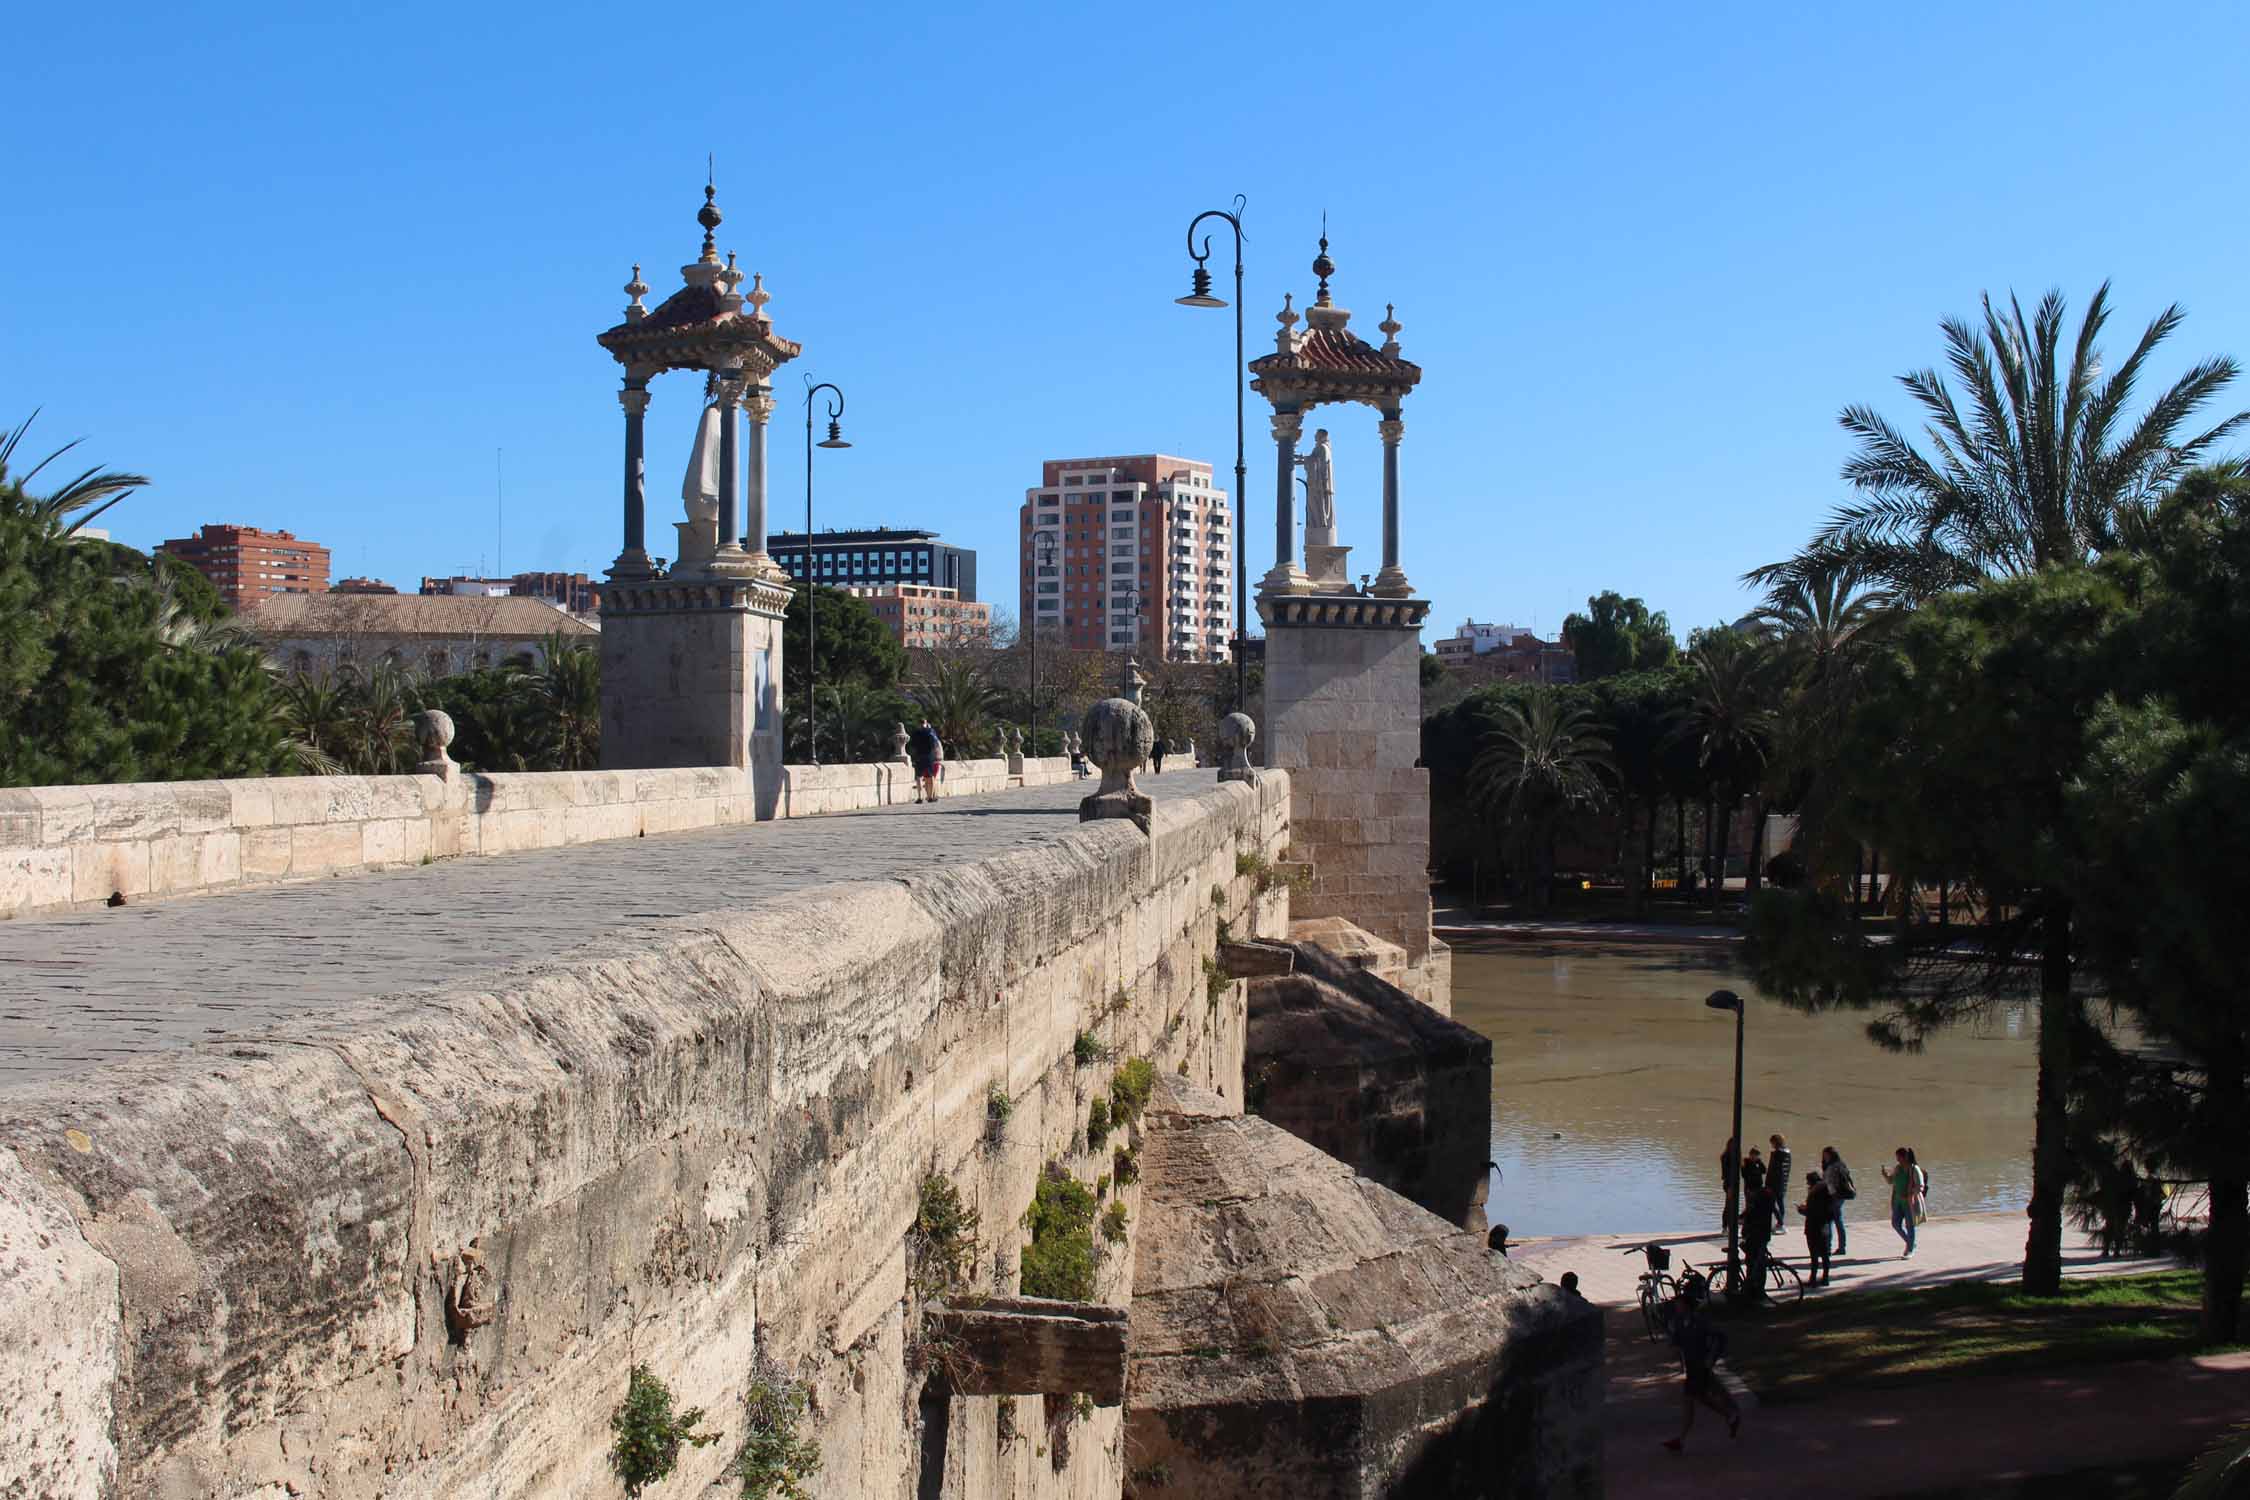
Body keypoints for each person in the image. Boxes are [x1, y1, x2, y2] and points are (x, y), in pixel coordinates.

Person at [1660, 1280, 1740, 1452]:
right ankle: (1730, 1415)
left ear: (1688, 1306)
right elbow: (1677, 1341)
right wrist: (1673, 1348)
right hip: (1692, 1365)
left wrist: (1711, 1358)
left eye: (1679, 1305)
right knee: (1701, 1396)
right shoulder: (1680, 1322)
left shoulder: (1699, 1322)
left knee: (1689, 1399)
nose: (1677, 1307)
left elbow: (1719, 1338)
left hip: (1700, 1365)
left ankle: (1681, 1439)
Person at [1882, 1146, 1926, 1258]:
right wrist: (1885, 1175)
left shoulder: (1914, 1169)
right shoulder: (1898, 1168)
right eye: (1897, 1157)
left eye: (1899, 1157)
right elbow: (1891, 1181)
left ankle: (1909, 1250)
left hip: (1910, 1202)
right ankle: (1910, 1242)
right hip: (1897, 1202)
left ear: (1905, 1157)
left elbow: (1920, 1186)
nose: (1897, 1160)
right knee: (1895, 1223)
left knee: (1910, 1226)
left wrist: (1909, 1194)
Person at [1741, 1182, 1775, 1300]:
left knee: (1752, 1264)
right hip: (1763, 1235)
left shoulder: (1757, 1201)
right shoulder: (1767, 1197)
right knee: (1760, 1264)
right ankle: (1759, 1290)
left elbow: (1750, 1215)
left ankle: (1751, 1291)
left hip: (1755, 1236)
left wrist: (1742, 1222)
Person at [1800, 1171, 1834, 1284]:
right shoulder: (1828, 1191)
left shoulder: (1813, 1193)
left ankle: (1813, 1279)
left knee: (1814, 1255)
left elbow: (1810, 1212)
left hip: (1813, 1227)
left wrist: (1801, 1210)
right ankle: (1825, 1278)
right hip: (1825, 1226)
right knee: (1825, 1254)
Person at [1821, 1146, 1854, 1255]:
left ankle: (1827, 1247)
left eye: (1825, 1155)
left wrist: (1827, 1196)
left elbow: (1829, 1183)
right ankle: (1842, 1247)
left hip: (1833, 1196)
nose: (1824, 1157)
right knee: (1839, 1221)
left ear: (1830, 1155)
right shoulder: (1841, 1164)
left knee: (1829, 1222)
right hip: (1842, 1196)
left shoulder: (1831, 1167)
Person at [906, 718, 943, 804]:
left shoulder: (916, 733)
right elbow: (934, 743)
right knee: (931, 776)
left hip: (919, 756)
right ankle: (930, 797)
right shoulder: (930, 732)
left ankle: (920, 797)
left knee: (918, 777)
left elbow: (912, 745)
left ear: (919, 724)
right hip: (929, 756)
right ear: (925, 723)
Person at [1768, 1135, 1794, 1234]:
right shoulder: (1787, 1152)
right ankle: (1780, 1224)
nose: (1771, 1145)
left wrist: (1768, 1184)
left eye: (1772, 1143)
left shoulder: (1776, 1154)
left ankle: (1780, 1223)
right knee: (1780, 1203)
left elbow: (1772, 1170)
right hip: (1782, 1182)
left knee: (1771, 1204)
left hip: (1774, 1183)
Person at [1720, 1136, 1740, 1230]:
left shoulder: (1733, 1155)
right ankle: (1725, 1227)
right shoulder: (1727, 1156)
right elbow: (1727, 1172)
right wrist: (1729, 1187)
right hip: (1729, 1183)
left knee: (1732, 1205)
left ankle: (1729, 1226)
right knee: (1728, 1206)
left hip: (1732, 1183)